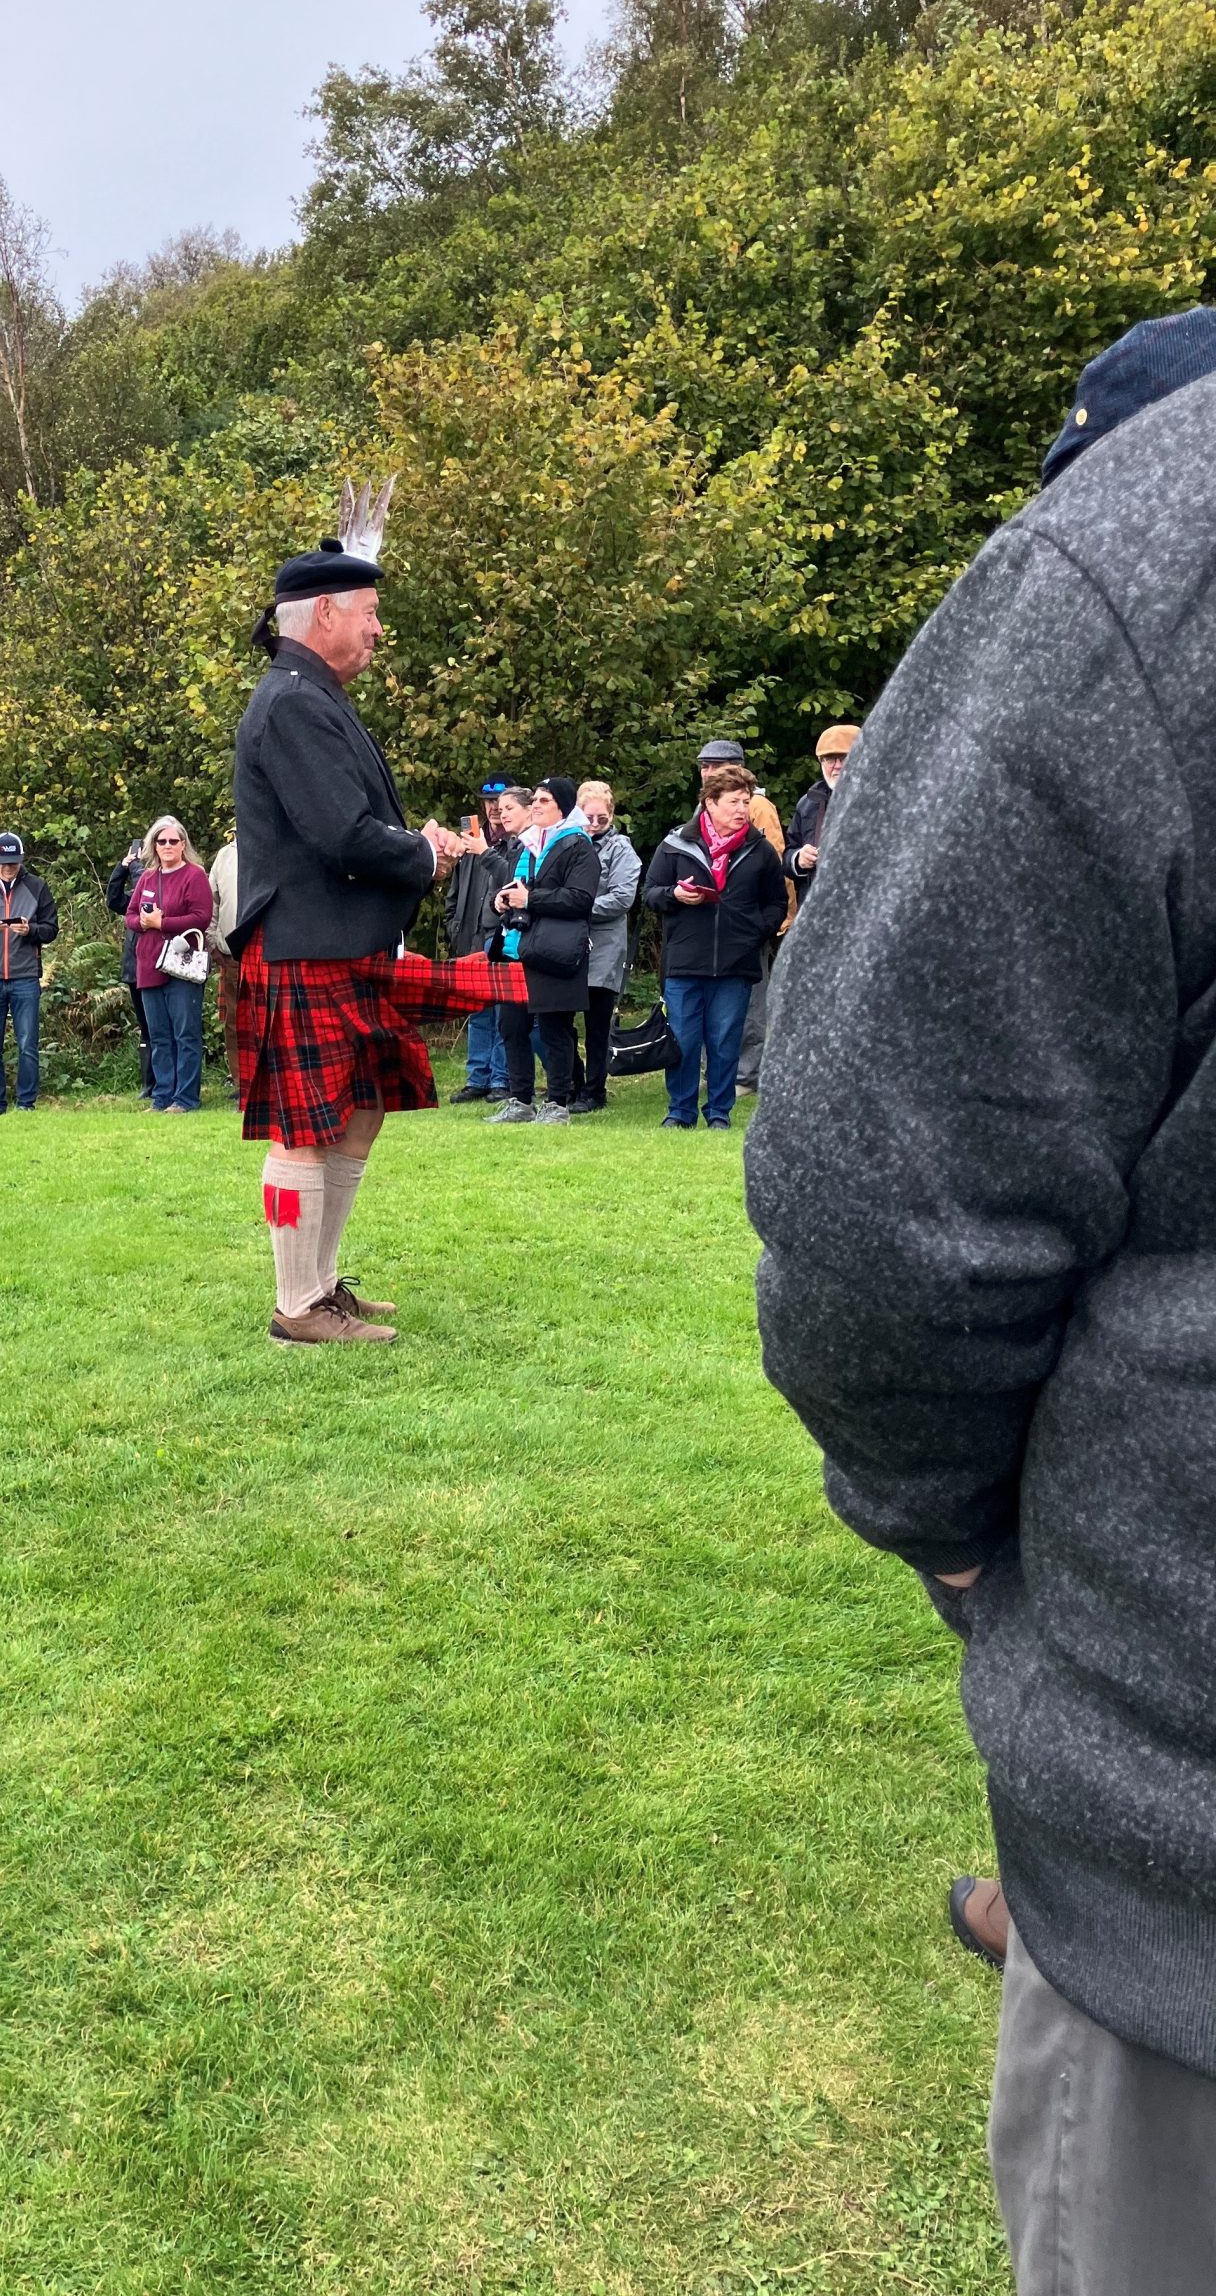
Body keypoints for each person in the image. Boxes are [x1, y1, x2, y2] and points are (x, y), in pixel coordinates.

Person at [749, 308, 1216, 2290]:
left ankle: (1077, 1887)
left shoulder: (1145, 558)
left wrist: (949, 1533)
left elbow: (881, 1200)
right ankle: (1062, 1883)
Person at [230, 502, 506, 1345]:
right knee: (304, 1125)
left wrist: (416, 844)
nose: (379, 629)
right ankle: (296, 1307)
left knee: (360, 1110)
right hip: (305, 943)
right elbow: (340, 835)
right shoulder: (292, 702)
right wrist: (422, 854)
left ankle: (320, 1284)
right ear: (325, 613)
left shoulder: (313, 695)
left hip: (337, 941)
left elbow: (345, 825)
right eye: (371, 612)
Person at [644, 764, 787, 1130]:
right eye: (734, 802)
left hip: (736, 963)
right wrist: (675, 894)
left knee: (725, 1041)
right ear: (710, 802)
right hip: (684, 961)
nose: (742, 809)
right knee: (684, 1040)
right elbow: (650, 894)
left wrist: (756, 932)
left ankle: (719, 1112)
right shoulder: (676, 844)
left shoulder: (760, 850)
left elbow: (776, 903)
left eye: (746, 801)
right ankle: (680, 1112)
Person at [486, 779, 601, 1126]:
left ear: (562, 807)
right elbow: (517, 889)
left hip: (554, 951)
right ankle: (520, 1101)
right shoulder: (526, 844)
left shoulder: (578, 845)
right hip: (516, 949)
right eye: (534, 799)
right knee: (511, 1026)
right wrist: (501, 902)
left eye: (544, 800)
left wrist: (530, 899)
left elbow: (580, 899)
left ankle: (557, 1103)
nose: (535, 805)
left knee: (554, 1029)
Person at [695, 737, 788, 1094]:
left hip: (748, 921)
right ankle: (714, 1070)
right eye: (704, 766)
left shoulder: (758, 806)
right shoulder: (704, 807)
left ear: (736, 768)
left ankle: (746, 1074)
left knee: (749, 1001)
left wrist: (767, 923)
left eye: (715, 765)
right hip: (709, 923)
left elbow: (772, 862)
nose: (707, 771)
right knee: (709, 999)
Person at [0, 834, 58, 1114]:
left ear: (21, 859)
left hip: (25, 976)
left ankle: (26, 1103)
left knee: (27, 1044)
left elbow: (51, 929)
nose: (8, 868)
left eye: (13, 862)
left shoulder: (37, 887)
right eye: (4, 863)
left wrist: (31, 930)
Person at [125, 815, 215, 1113]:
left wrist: (162, 923)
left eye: (173, 841)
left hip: (182, 965)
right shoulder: (148, 878)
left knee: (185, 1033)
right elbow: (130, 916)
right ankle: (162, 1096)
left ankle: (185, 1098)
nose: (167, 845)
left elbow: (201, 918)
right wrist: (144, 922)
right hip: (149, 963)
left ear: (182, 844)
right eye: (161, 841)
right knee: (159, 1035)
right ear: (153, 845)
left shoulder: (194, 875)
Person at [445, 783, 529, 1101]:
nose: (495, 808)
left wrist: (485, 852)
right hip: (471, 935)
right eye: (489, 802)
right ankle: (477, 1078)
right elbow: (455, 892)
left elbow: (513, 879)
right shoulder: (472, 841)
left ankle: (500, 1079)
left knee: (503, 1012)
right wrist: (455, 926)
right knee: (478, 1012)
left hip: (500, 935)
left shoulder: (519, 842)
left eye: (501, 803)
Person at [574, 782, 642, 1112]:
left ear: (612, 815)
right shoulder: (566, 843)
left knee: (597, 1025)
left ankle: (594, 1090)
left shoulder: (620, 849)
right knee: (554, 1020)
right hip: (567, 945)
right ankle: (571, 1082)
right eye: (589, 817)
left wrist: (573, 906)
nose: (595, 824)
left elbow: (622, 898)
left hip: (604, 948)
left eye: (602, 817)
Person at [783, 725, 862, 903]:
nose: (837, 766)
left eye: (845, 757)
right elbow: (788, 855)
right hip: (817, 908)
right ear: (821, 762)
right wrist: (799, 859)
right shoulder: (808, 803)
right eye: (830, 759)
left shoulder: (880, 798)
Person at [105, 838, 154, 1099]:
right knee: (145, 1028)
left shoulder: (157, 887)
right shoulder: (134, 899)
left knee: (161, 1028)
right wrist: (122, 867)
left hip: (159, 966)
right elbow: (113, 900)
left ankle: (166, 1082)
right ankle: (148, 1084)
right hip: (135, 968)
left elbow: (144, 883)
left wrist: (135, 866)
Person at [207, 829, 241, 1097]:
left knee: (270, 1021)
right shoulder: (225, 856)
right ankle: (242, 1082)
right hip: (231, 955)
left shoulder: (275, 846)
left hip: (269, 953)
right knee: (234, 1022)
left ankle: (272, 1082)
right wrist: (212, 942)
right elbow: (212, 901)